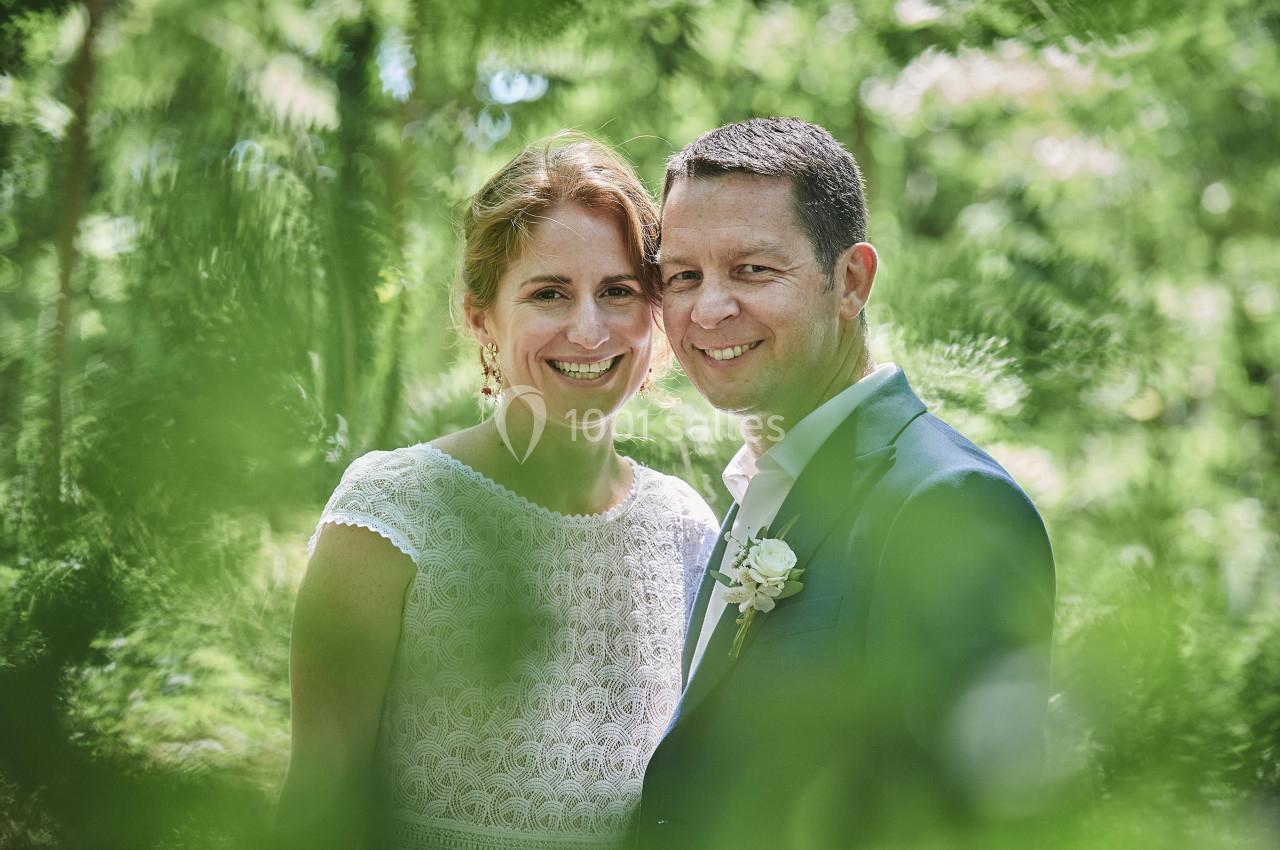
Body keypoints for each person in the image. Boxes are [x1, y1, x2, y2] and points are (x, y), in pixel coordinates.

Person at [276, 134, 719, 850]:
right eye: (549, 293)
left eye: (618, 291)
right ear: (482, 317)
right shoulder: (391, 511)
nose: (588, 328)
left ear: (656, 315)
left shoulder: (689, 529)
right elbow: (319, 806)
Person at [639, 117, 1057, 848]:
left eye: (752, 270)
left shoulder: (948, 504)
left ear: (851, 281)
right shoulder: (758, 496)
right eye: (683, 277)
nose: (707, 310)